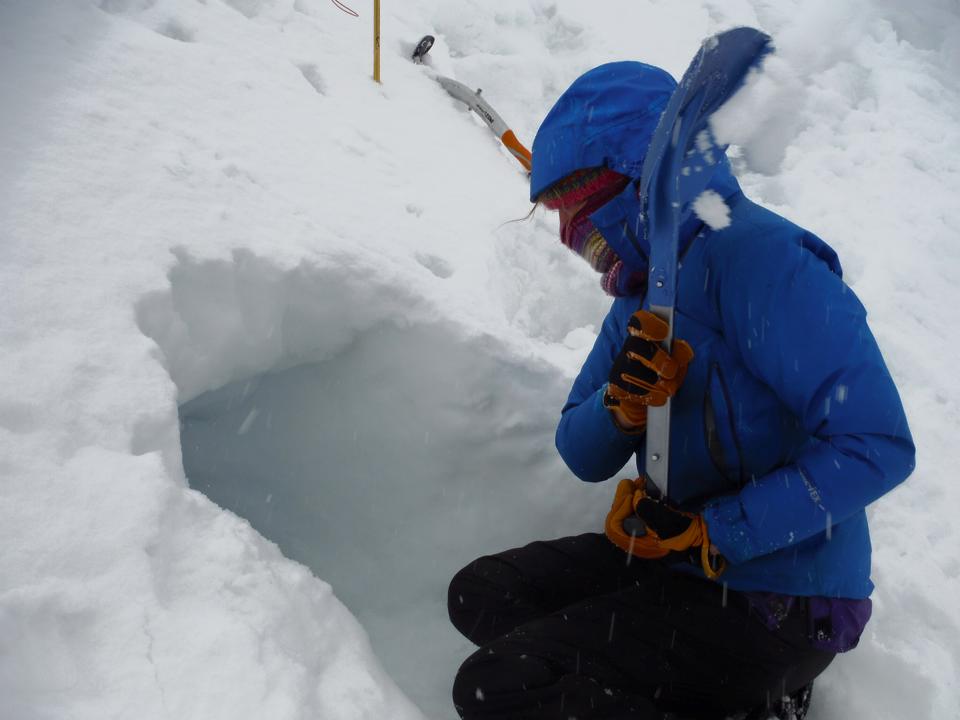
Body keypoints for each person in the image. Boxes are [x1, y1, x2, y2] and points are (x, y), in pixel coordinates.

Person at [446, 61, 915, 720]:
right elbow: (579, 451)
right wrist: (622, 408)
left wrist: (715, 534)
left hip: (783, 600)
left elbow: (878, 444)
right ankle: (698, 689)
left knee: (499, 685)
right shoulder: (644, 294)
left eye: (579, 221)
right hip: (681, 567)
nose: (577, 242)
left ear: (637, 187)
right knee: (483, 594)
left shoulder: (763, 260)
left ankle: (751, 701)